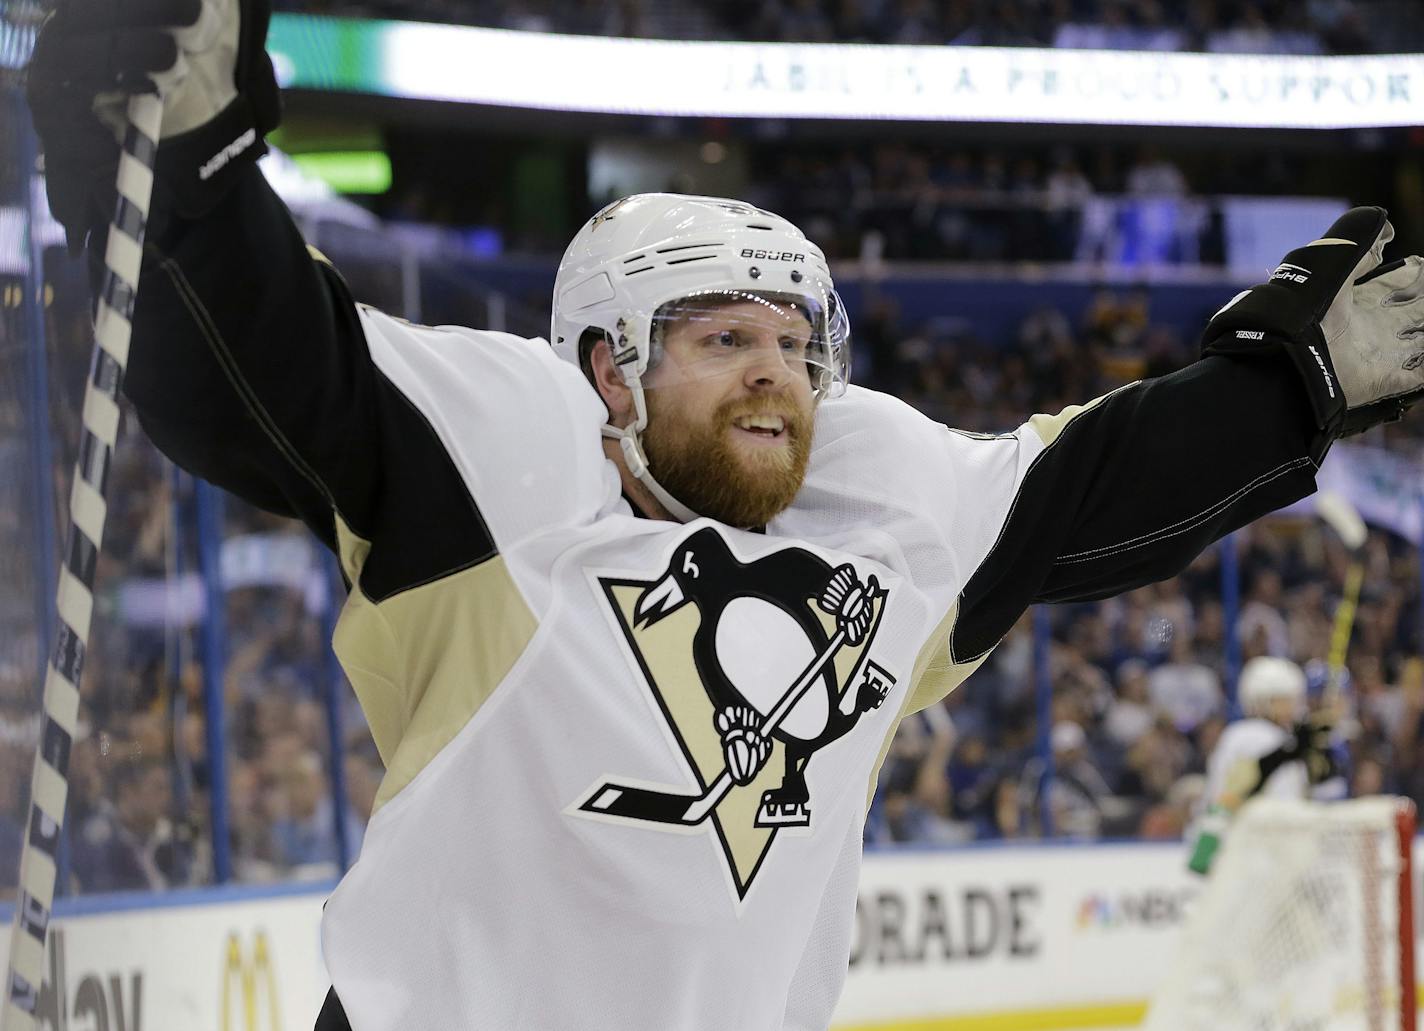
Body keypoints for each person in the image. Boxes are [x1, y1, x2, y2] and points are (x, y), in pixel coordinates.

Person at [24, 0, 1424, 1025]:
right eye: (718, 336)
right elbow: (265, 362)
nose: (777, 368)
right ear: (604, 369)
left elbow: (1101, 481)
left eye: (796, 341)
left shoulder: (890, 514)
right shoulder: (508, 466)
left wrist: (1296, 385)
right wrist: (190, 163)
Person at [1187, 656, 1338, 873]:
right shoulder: (1266, 738)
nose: (1297, 706)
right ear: (1267, 701)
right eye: (1288, 699)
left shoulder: (1237, 734)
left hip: (1228, 847)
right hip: (1260, 853)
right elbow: (1285, 806)